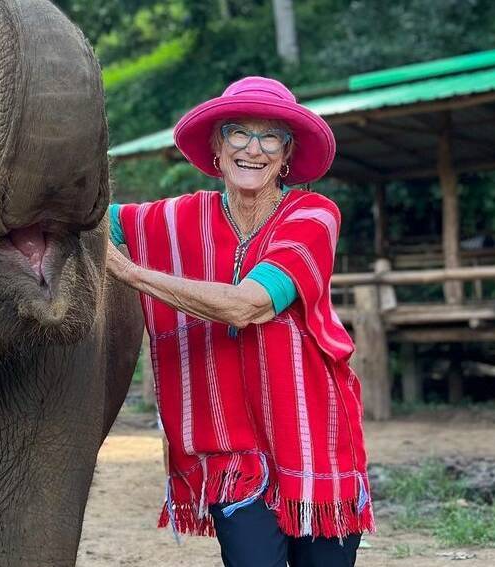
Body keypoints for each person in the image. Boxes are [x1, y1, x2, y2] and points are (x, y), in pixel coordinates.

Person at [106, 76, 374, 567]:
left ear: (287, 153)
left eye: (270, 137)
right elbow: (86, 217)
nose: (254, 148)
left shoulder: (313, 215)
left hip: (311, 441)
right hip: (230, 453)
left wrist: (127, 272)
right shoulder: (179, 217)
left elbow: (247, 305)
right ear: (216, 145)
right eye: (238, 133)